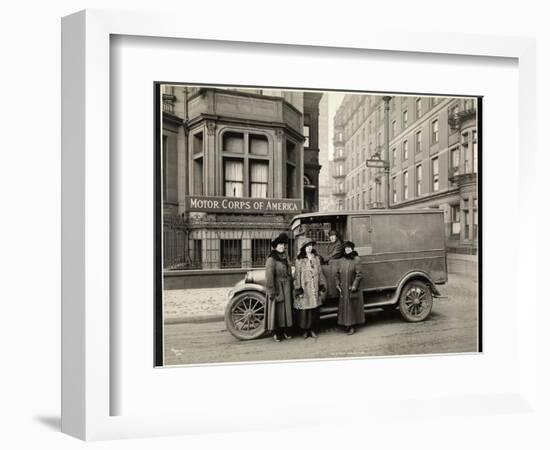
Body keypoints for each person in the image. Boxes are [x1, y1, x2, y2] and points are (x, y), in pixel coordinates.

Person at [293, 239, 327, 339]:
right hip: (305, 287)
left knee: (313, 310)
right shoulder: (299, 259)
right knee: (305, 310)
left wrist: (321, 285)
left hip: (314, 287)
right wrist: (298, 288)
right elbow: (297, 275)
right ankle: (305, 330)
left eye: (311, 246)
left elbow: (320, 272)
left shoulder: (316, 258)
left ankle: (313, 329)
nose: (309, 248)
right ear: (304, 248)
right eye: (307, 246)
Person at [265, 233, 293, 342]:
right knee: (277, 311)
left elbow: (289, 270)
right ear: (275, 246)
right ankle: (277, 332)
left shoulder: (285, 256)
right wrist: (271, 290)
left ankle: (286, 330)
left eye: (283, 245)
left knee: (286, 311)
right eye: (279, 245)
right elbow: (269, 275)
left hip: (286, 286)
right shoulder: (271, 259)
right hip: (277, 287)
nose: (282, 246)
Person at [336, 241, 365, 335]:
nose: (347, 249)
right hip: (343, 288)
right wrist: (337, 284)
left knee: (351, 308)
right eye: (346, 248)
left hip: (351, 288)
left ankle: (352, 326)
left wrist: (354, 286)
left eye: (349, 248)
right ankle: (346, 325)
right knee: (344, 308)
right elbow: (337, 273)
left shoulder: (356, 259)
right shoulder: (341, 260)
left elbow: (359, 274)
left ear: (352, 249)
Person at [324, 229, 344, 297]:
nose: (331, 238)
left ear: (336, 237)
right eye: (330, 236)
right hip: (331, 261)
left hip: (337, 262)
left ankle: (337, 286)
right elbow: (328, 254)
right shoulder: (330, 244)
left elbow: (334, 255)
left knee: (334, 271)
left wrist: (325, 259)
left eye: (333, 236)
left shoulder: (338, 244)